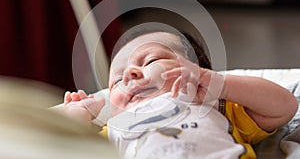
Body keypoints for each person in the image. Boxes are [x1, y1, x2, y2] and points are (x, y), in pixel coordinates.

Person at [63, 30, 298, 159]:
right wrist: (78, 114)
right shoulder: (115, 128)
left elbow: (284, 106)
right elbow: (59, 147)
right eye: (117, 80)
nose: (130, 74)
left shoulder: (215, 105)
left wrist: (221, 86)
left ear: (196, 70)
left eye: (151, 60)